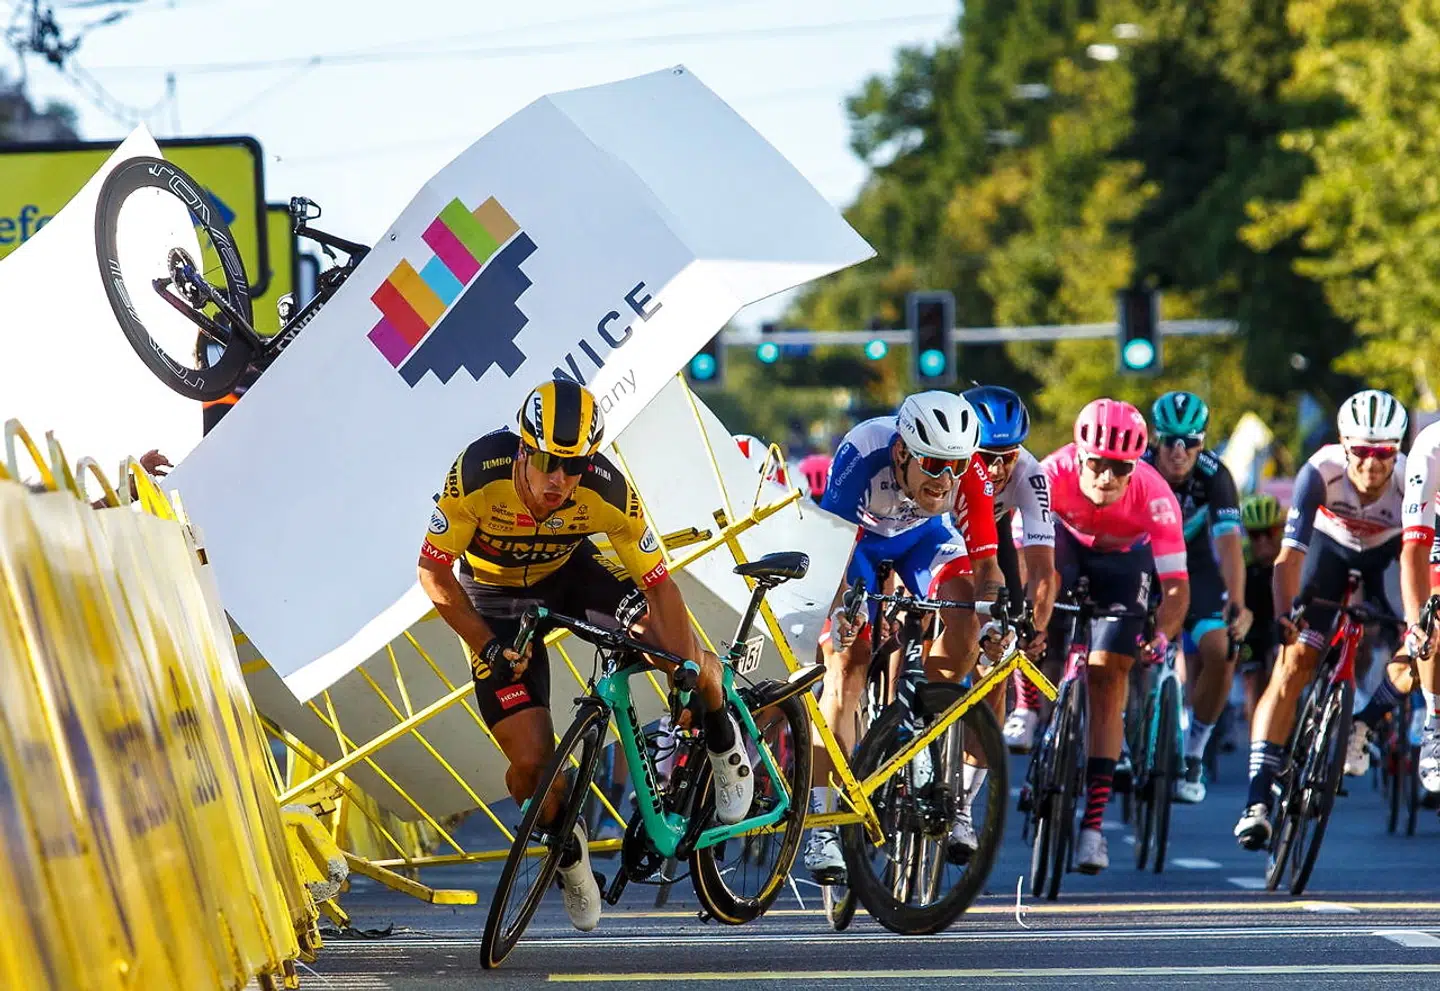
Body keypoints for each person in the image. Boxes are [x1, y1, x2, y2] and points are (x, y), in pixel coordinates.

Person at [417, 379, 752, 932]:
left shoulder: (606, 490)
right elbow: (432, 572)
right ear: (525, 449)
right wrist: (487, 645)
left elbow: (659, 583)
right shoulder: (478, 473)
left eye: (574, 466)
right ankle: (568, 851)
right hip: (495, 599)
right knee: (531, 768)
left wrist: (684, 670)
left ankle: (722, 735)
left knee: (678, 651)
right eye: (549, 461)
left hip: (573, 579)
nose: (560, 480)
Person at [804, 391, 1000, 880]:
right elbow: (835, 551)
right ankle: (822, 825)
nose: (945, 479)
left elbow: (988, 569)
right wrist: (846, 611)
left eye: (956, 465)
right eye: (933, 464)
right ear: (901, 453)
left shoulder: (966, 473)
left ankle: (928, 723)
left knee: (966, 621)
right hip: (858, 547)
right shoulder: (863, 449)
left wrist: (996, 621)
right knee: (847, 663)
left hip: (925, 541)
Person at [1235, 389, 1408, 850]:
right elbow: (1289, 557)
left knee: (1420, 642)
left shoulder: (1413, 480)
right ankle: (1257, 801)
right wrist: (1287, 614)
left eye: (1384, 453)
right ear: (1344, 445)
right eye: (1362, 452)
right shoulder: (1320, 470)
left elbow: (1421, 560)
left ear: (1398, 451)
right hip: (1327, 552)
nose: (1372, 465)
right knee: (1293, 664)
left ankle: (1363, 724)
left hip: (1387, 556)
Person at [1043, 398, 1189, 873]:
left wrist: (1162, 636)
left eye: (1120, 469)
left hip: (1125, 560)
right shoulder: (1051, 473)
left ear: (1135, 466)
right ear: (1079, 456)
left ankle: (1093, 828)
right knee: (1042, 622)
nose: (1107, 477)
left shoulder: (1155, 494)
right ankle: (1031, 709)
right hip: (1065, 543)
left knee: (1109, 679)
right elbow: (1028, 559)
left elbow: (1176, 590)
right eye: (1098, 464)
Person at [1142, 392, 1250, 803]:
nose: (1179, 451)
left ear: (1203, 442)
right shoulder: (1139, 469)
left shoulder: (1215, 475)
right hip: (1147, 567)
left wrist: (1236, 603)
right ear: (1156, 439)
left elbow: (1228, 544)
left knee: (1222, 649)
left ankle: (1194, 750)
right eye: (1170, 440)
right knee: (1125, 647)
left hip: (1196, 570)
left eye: (1191, 441)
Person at [957, 385, 1059, 752]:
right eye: (986, 457)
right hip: (941, 538)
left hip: (993, 545)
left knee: (996, 665)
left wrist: (1035, 626)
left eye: (1008, 456)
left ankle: (965, 797)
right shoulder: (946, 457)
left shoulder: (1031, 474)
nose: (998, 469)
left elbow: (1043, 569)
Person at [1397, 416, 1440, 792]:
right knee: (1435, 617)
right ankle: (1435, 722)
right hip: (1435, 533)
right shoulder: (1431, 447)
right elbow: (1414, 550)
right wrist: (1417, 623)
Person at [1236, 493, 1285, 722]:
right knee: (1252, 677)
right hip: (1253, 620)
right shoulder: (1242, 556)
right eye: (1256, 535)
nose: (1263, 541)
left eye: (1269, 532)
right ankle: (1256, 742)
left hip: (1283, 616)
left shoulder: (1290, 552)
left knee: (1284, 670)